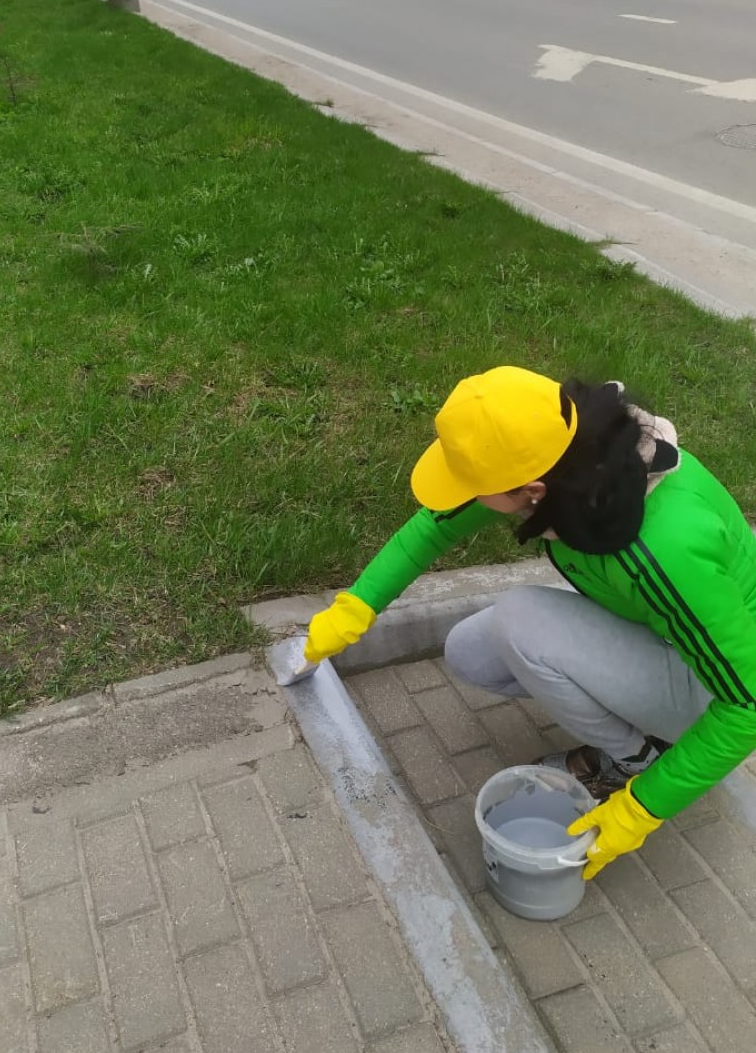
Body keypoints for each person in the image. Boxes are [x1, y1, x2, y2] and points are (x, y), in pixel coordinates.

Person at [303, 366, 756, 880]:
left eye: (475, 485)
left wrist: (642, 808)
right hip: (675, 637)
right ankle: (638, 731)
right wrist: (358, 604)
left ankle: (639, 760)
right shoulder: (567, 455)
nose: (466, 495)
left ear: (532, 490)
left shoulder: (664, 549)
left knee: (521, 619)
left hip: (716, 689)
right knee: (472, 651)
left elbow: (747, 705)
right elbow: (435, 526)